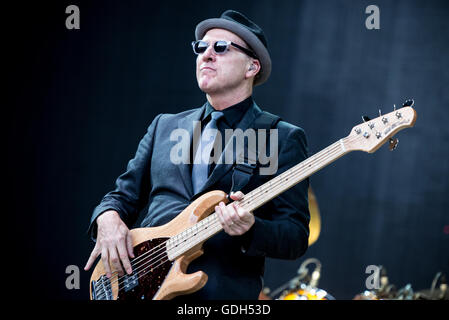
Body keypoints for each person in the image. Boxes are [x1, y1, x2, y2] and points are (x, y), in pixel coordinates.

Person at [84, 9, 310, 300]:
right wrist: (107, 218)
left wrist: (251, 228)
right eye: (201, 47)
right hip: (138, 287)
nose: (206, 54)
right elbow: (122, 197)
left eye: (221, 48)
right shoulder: (164, 126)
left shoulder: (279, 136)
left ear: (251, 67)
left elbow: (295, 236)